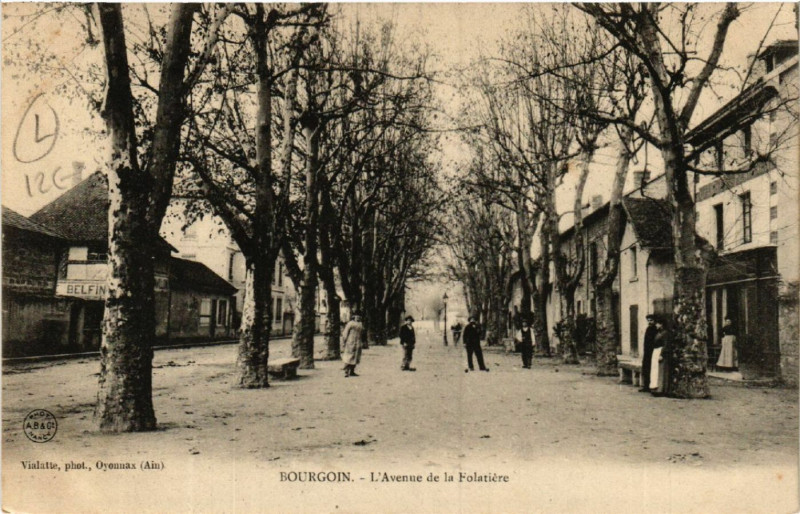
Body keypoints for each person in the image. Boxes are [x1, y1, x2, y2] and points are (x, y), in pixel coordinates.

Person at [650, 317, 672, 396]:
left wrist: (662, 354)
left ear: (661, 324)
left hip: (660, 352)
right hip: (656, 352)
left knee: (661, 370)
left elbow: (666, 345)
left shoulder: (665, 333)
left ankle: (661, 389)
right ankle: (655, 386)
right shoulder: (659, 333)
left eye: (657, 324)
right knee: (655, 370)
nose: (656, 325)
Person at [341, 311, 365, 377]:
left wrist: (362, 342)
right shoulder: (350, 323)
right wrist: (344, 341)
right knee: (349, 356)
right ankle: (346, 371)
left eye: (359, 317)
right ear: (354, 317)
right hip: (350, 341)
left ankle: (352, 371)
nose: (358, 318)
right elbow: (345, 333)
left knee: (356, 356)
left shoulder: (360, 324)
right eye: (356, 316)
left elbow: (362, 333)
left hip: (358, 342)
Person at [639, 314, 658, 392]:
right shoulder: (648, 329)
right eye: (648, 320)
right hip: (647, 352)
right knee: (646, 368)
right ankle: (646, 385)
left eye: (651, 320)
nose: (649, 322)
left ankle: (650, 386)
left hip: (652, 351)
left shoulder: (655, 330)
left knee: (651, 369)